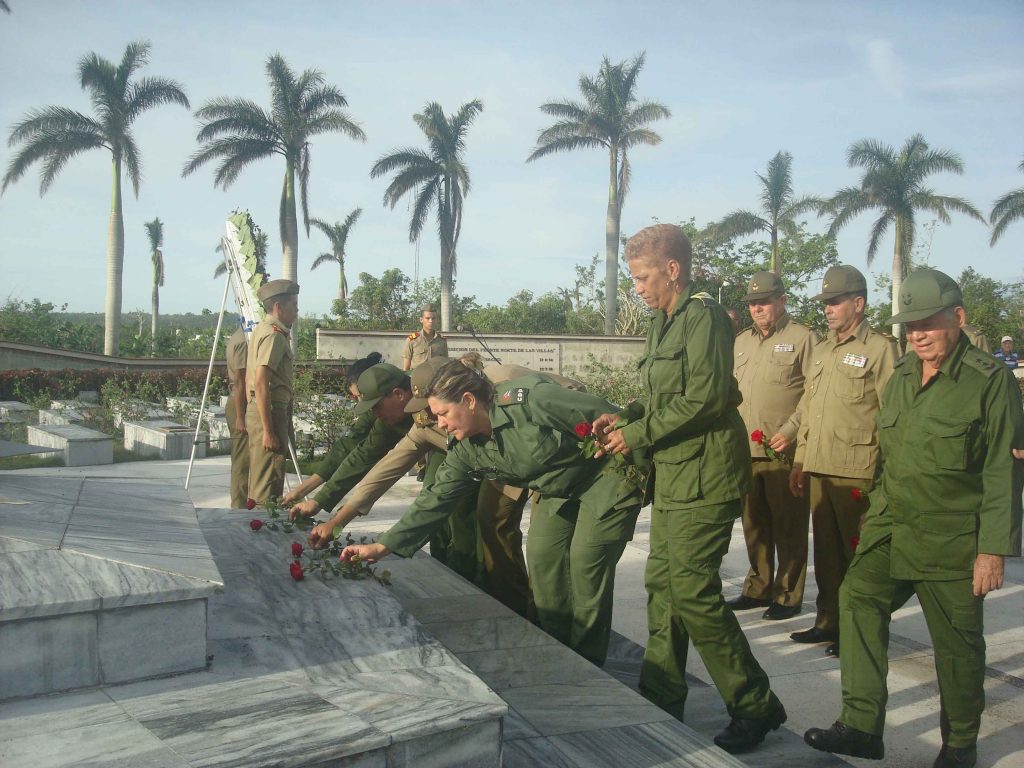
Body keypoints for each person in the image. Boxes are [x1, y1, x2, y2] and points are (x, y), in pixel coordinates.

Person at [804, 268, 1024, 768]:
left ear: (959, 318)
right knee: (857, 598)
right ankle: (862, 725)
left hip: (953, 539)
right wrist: (875, 515)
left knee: (957, 649)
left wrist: (992, 549)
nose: (917, 334)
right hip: (892, 527)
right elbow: (889, 456)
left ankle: (960, 744)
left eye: (928, 322)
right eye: (909, 325)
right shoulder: (902, 375)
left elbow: (1001, 473)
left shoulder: (990, 383)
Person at [592, 224, 786, 755]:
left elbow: (702, 397)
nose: (637, 287)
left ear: (672, 270)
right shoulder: (662, 321)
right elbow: (662, 397)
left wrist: (635, 434)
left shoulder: (704, 318)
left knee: (695, 594)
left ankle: (755, 705)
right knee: (662, 585)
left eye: (642, 276)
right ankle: (662, 695)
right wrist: (628, 414)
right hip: (676, 475)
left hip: (708, 475)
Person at [340, 360, 646, 667]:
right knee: (542, 560)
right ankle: (559, 651)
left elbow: (614, 419)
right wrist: (382, 546)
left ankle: (588, 663)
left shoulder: (531, 400)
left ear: (470, 401)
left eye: (443, 414)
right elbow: (435, 499)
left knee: (585, 566)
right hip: (560, 489)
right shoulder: (466, 447)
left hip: (607, 478)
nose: (441, 424)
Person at [309, 356, 541, 616]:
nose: (437, 419)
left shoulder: (502, 390)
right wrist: (337, 521)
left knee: (507, 529)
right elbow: (383, 470)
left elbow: (562, 408)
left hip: (535, 455)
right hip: (483, 463)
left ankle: (517, 604)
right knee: (450, 506)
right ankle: (490, 593)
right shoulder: (423, 421)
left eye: (439, 410)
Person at [788, 265, 899, 657]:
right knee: (829, 556)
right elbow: (810, 408)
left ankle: (861, 631)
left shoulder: (880, 349)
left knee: (860, 558)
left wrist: (888, 477)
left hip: (858, 471)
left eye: (835, 302)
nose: (829, 309)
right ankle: (828, 622)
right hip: (820, 467)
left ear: (858, 303)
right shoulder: (820, 349)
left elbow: (892, 415)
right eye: (826, 303)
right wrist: (800, 461)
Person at [728, 271, 815, 620]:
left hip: (783, 451)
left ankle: (787, 595)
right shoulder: (741, 342)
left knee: (789, 527)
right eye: (752, 303)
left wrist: (793, 430)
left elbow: (815, 393)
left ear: (782, 299)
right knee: (754, 524)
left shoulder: (803, 337)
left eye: (764, 301)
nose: (758, 308)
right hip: (745, 450)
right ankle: (758, 587)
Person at [280, 352, 382, 506]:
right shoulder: (375, 411)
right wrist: (303, 492)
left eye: (361, 395)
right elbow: (351, 450)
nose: (361, 402)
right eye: (356, 398)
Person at [246, 279, 299, 504]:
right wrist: (268, 430)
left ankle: (260, 524)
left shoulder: (263, 329)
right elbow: (260, 382)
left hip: (266, 410)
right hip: (268, 411)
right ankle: (261, 528)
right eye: (293, 305)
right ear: (278, 307)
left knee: (265, 475)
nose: (297, 310)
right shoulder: (274, 335)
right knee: (267, 480)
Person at [225, 321, 250, 508]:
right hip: (239, 402)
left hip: (240, 401)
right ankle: (239, 507)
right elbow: (240, 381)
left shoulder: (240, 337)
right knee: (241, 461)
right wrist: (241, 416)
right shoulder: (242, 341)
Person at [402, 303, 447, 371]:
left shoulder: (442, 341)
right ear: (421, 320)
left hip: (436, 380)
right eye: (427, 318)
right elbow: (406, 369)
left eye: (433, 318)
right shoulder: (412, 340)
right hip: (417, 380)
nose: (431, 321)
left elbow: (445, 366)